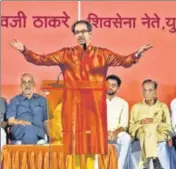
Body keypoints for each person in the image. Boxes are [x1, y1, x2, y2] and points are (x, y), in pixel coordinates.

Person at [9, 20, 152, 154]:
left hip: (94, 107)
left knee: (94, 146)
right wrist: (24, 50)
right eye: (77, 32)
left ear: (90, 33)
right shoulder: (65, 54)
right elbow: (41, 60)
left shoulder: (102, 54)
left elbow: (124, 61)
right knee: (74, 146)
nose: (80, 34)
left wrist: (137, 53)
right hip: (73, 105)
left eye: (83, 31)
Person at [129, 79, 173, 169]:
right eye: (144, 90)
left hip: (159, 134)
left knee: (149, 128)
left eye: (150, 90)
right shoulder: (136, 107)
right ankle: (155, 159)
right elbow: (131, 128)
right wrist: (142, 122)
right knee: (147, 129)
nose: (146, 93)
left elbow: (168, 127)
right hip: (141, 133)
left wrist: (154, 123)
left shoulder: (162, 107)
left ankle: (145, 163)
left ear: (155, 91)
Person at [6, 73, 48, 144]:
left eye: (29, 82)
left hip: (38, 132)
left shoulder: (42, 100)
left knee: (31, 130)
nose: (27, 85)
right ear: (21, 85)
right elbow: (10, 121)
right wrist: (20, 122)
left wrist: (51, 138)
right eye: (24, 82)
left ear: (34, 84)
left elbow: (46, 121)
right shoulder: (15, 100)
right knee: (29, 129)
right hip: (20, 131)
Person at [106, 74, 131, 169]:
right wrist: (105, 132)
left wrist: (114, 132)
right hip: (100, 132)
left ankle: (120, 167)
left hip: (116, 133)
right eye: (108, 84)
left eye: (113, 85)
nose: (110, 87)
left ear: (118, 88)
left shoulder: (123, 103)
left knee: (127, 138)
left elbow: (124, 124)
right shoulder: (96, 100)